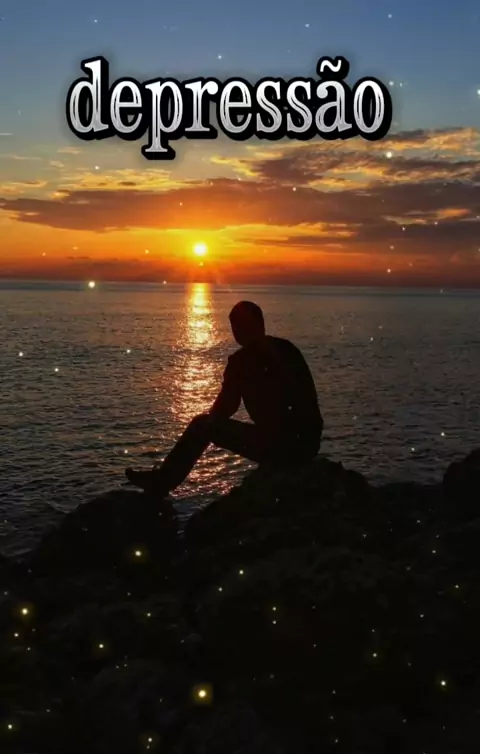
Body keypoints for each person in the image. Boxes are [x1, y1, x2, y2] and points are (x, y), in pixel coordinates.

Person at [126, 301, 324, 496]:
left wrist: (209, 422)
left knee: (201, 425)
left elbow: (225, 408)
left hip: (279, 447)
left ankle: (162, 482)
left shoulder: (241, 361)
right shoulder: (287, 349)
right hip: (308, 445)